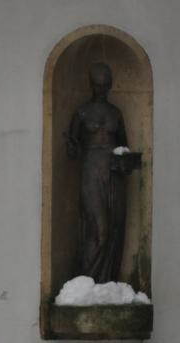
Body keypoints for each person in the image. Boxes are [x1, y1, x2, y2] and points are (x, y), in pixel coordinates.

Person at [64, 62, 138, 283]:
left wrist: (125, 160)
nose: (102, 90)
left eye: (106, 86)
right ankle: (88, 281)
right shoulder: (82, 112)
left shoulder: (116, 113)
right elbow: (72, 151)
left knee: (113, 227)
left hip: (113, 172)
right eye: (98, 86)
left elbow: (123, 145)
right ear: (91, 85)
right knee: (99, 229)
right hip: (91, 170)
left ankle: (106, 281)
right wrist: (72, 146)